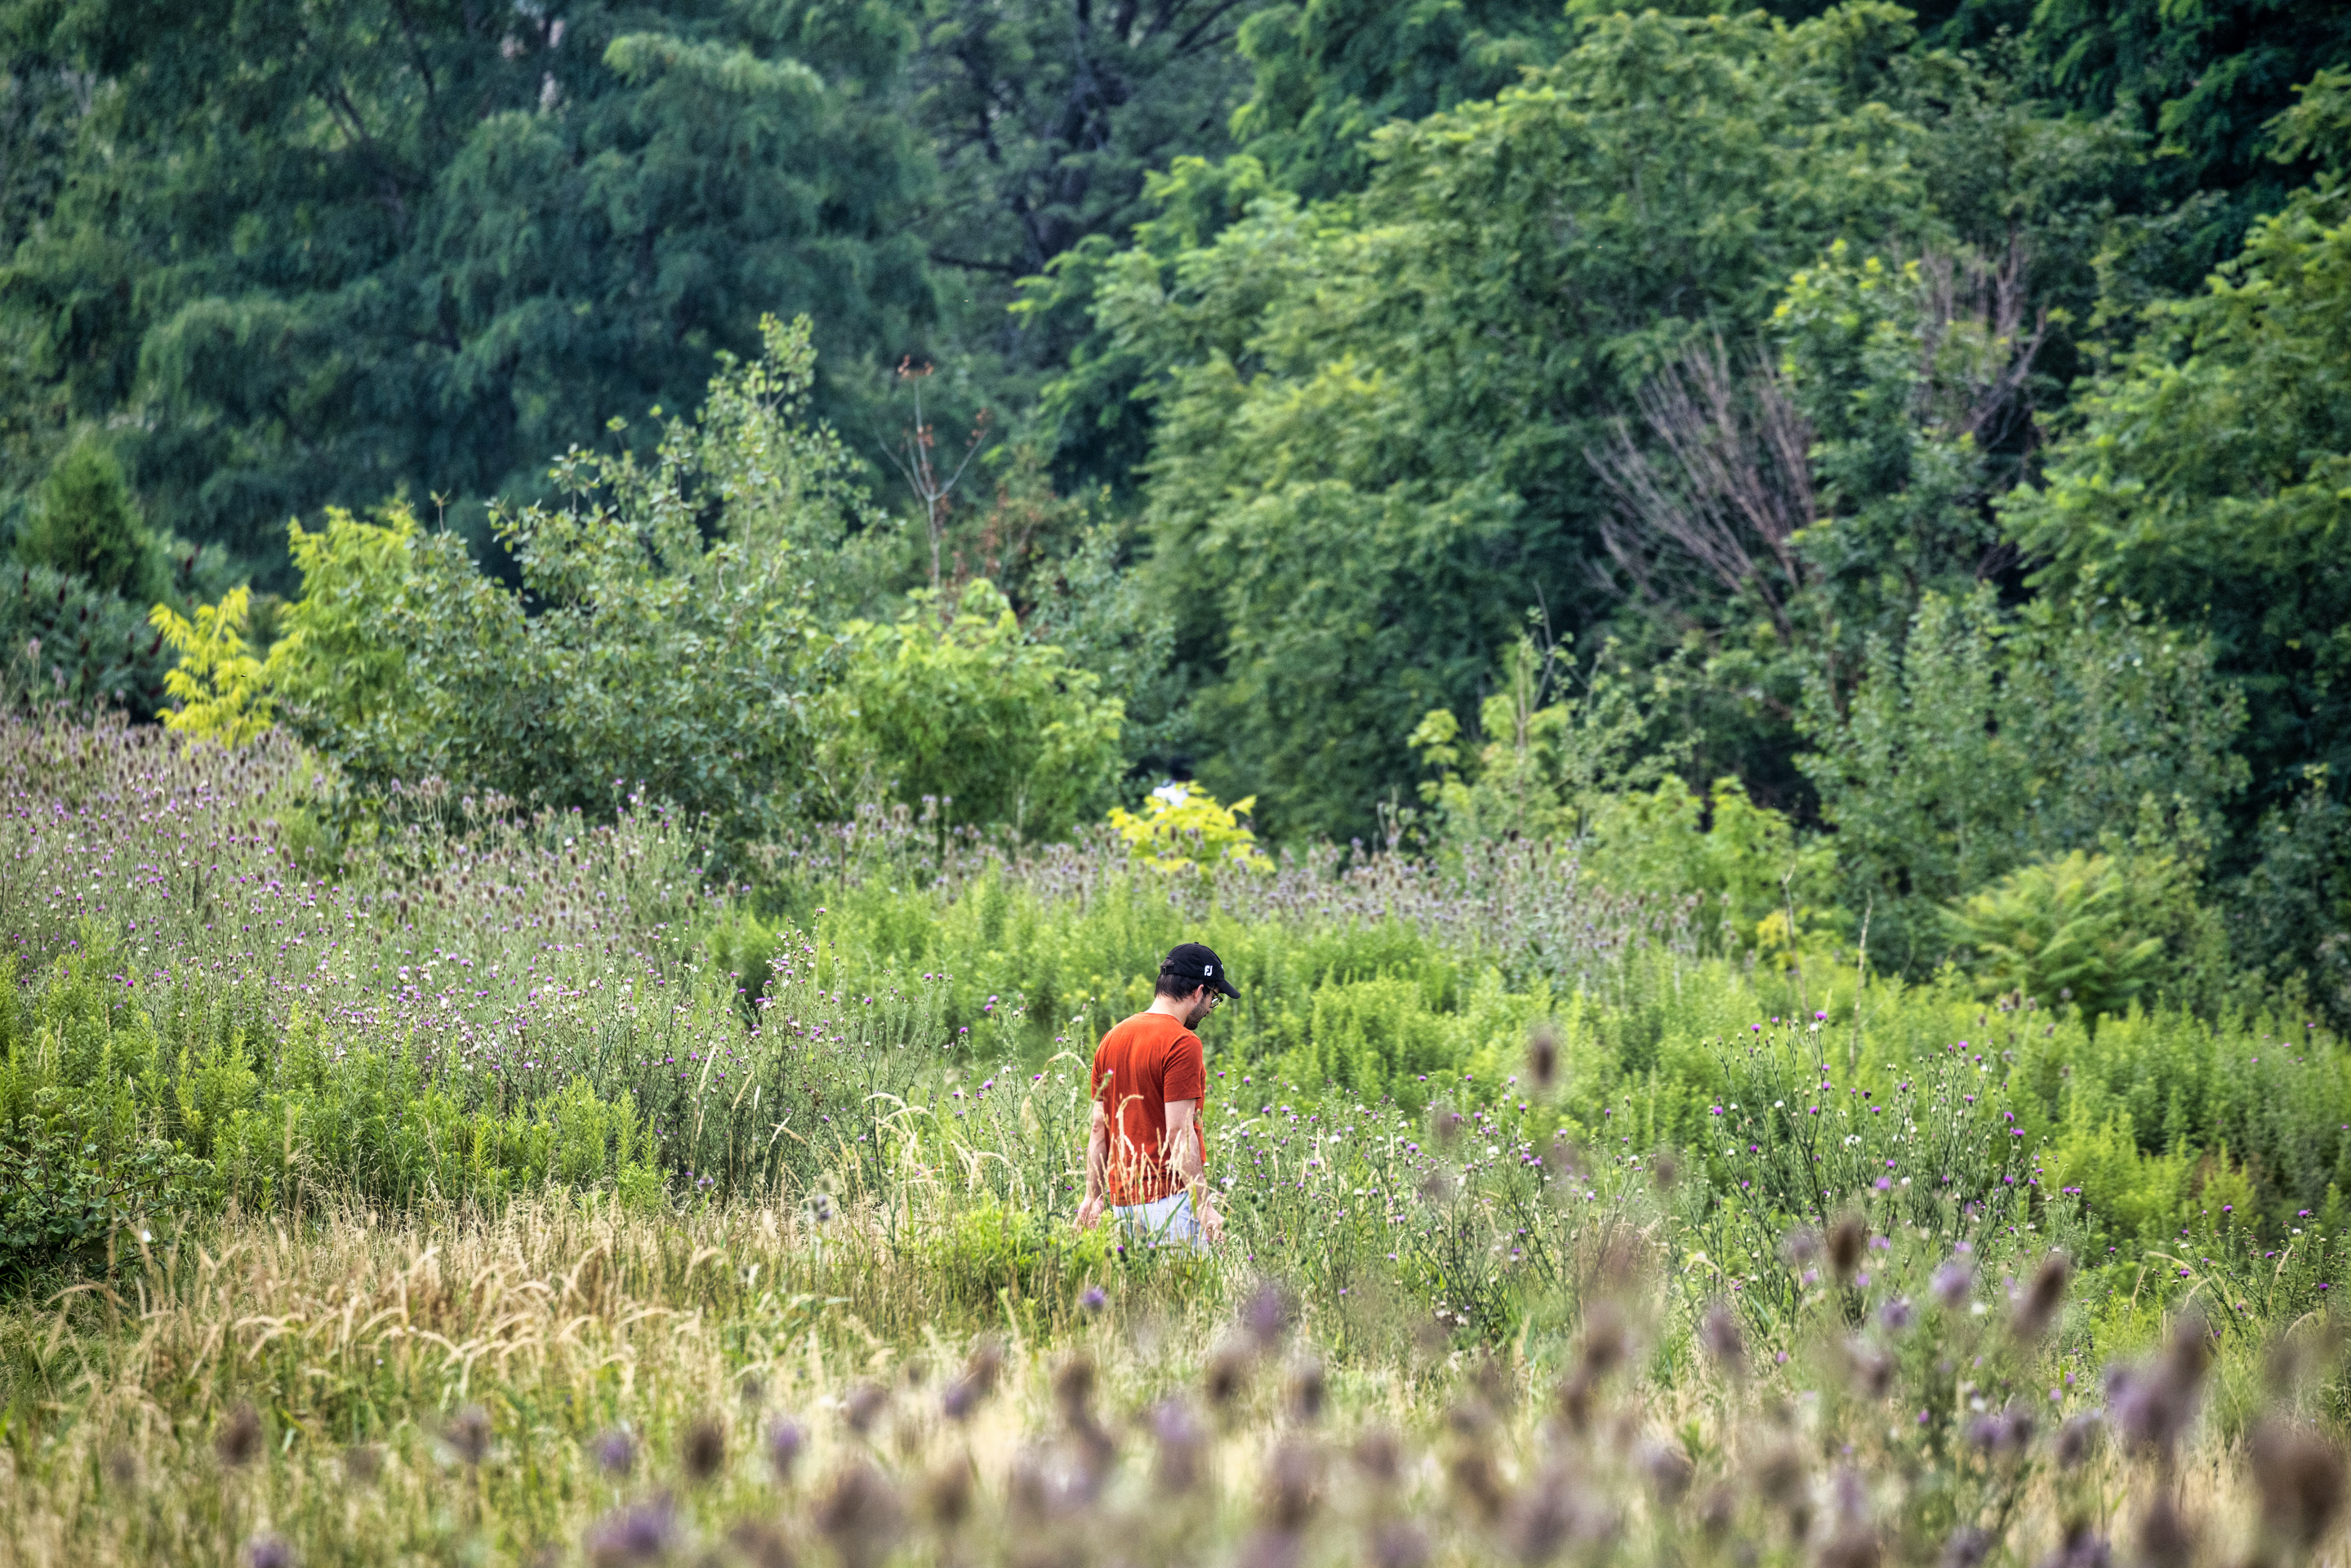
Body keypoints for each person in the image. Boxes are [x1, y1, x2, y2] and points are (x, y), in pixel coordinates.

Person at [1075, 942, 1235, 1250]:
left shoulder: (1112, 1039)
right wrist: (1203, 1206)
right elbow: (1179, 1134)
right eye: (1214, 999)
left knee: (1146, 1297)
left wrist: (1092, 1198)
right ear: (1199, 991)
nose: (1209, 1010)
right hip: (1171, 1201)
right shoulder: (1182, 1043)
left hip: (1124, 1204)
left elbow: (1099, 1128)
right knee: (1191, 1296)